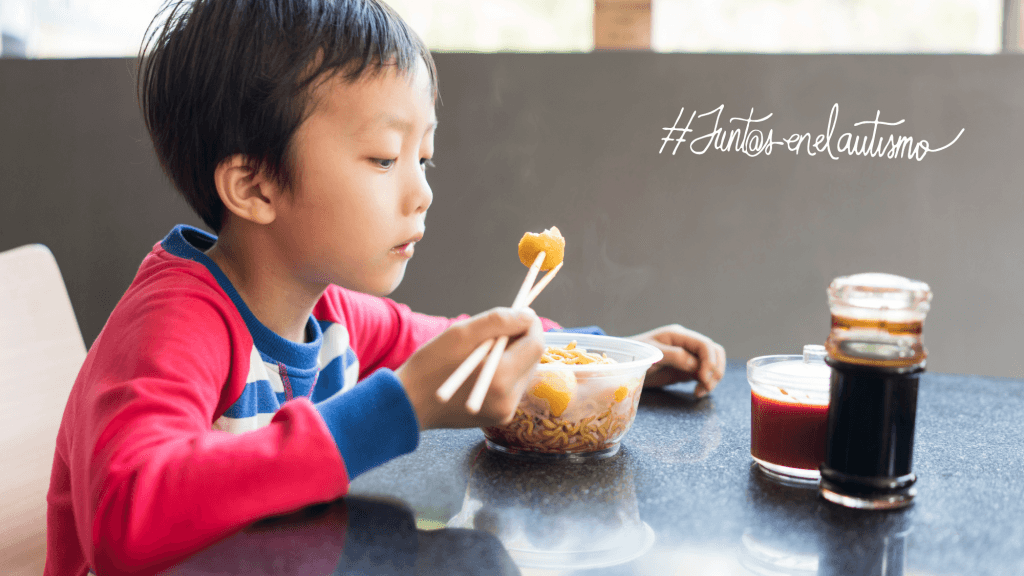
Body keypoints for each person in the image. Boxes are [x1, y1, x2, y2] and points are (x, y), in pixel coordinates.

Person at [44, 1, 726, 575]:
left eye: (423, 158)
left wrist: (603, 364)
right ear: (254, 185)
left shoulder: (329, 311)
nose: (422, 192)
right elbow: (126, 516)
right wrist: (398, 409)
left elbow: (455, 348)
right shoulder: (175, 323)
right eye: (382, 158)